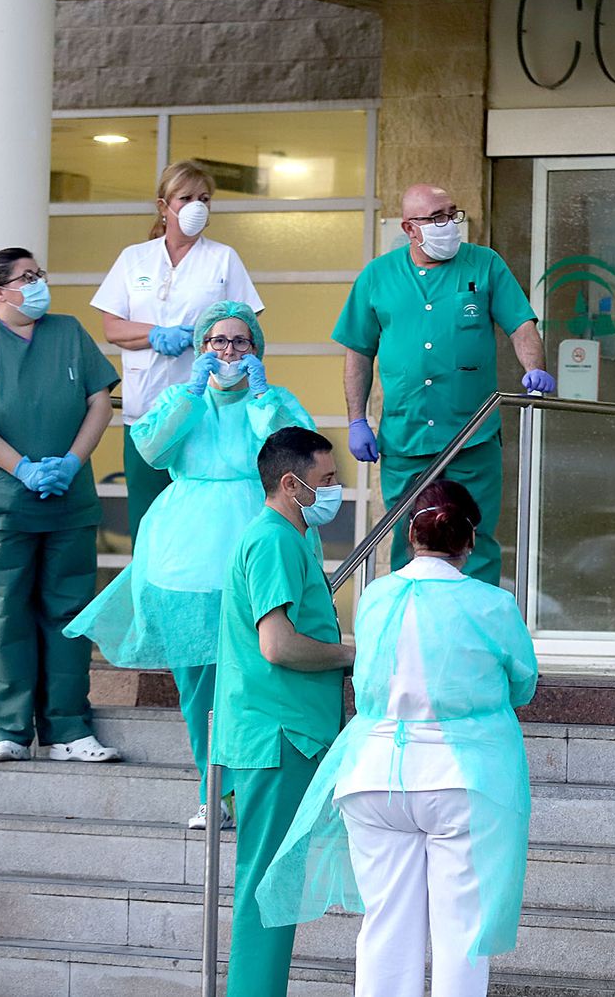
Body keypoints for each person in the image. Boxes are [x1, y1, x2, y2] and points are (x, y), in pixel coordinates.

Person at [257, 478, 538, 997]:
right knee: (461, 933)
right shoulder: (493, 604)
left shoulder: (375, 596)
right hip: (460, 780)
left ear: (410, 534)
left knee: (385, 924)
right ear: (469, 542)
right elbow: (522, 683)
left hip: (372, 774)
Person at [65, 302, 315, 828]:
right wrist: (190, 394)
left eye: (240, 342)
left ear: (256, 349)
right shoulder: (180, 398)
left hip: (255, 541)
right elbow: (152, 448)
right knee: (197, 684)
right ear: (201, 348)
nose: (228, 352)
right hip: (184, 553)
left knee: (254, 675)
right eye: (217, 342)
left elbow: (295, 456)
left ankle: (255, 790)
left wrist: (263, 397)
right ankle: (213, 792)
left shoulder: (274, 399)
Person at [0, 248, 121, 763]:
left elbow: (98, 401)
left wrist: (70, 462)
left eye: (40, 273)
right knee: (8, 611)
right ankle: (11, 730)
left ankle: (69, 729)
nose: (40, 282)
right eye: (28, 277)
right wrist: (20, 467)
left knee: (69, 612)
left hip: (66, 498)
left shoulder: (66, 331)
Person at [337, 182, 552, 582]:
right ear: (409, 228)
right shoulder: (377, 276)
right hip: (407, 437)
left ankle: (475, 632)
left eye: (451, 214)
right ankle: (412, 632)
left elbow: (521, 324)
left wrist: (533, 367)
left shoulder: (484, 264)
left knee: (476, 537)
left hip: (472, 434)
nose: (448, 224)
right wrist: (356, 419)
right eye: (435, 218)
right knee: (409, 538)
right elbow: (358, 352)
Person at [213, 426, 354, 997]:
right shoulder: (272, 539)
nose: (336, 489)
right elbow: (279, 644)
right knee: (265, 889)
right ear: (292, 484)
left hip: (286, 732)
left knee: (276, 887)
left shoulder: (295, 538)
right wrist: (352, 657)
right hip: (275, 736)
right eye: (327, 480)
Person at [93, 159, 264, 543]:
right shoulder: (134, 258)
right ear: (163, 205)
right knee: (148, 518)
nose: (196, 207)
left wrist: (208, 339)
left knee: (204, 521)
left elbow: (248, 327)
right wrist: (156, 334)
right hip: (146, 410)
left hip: (208, 408)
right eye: (185, 198)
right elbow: (112, 326)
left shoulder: (223, 259)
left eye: (204, 198)